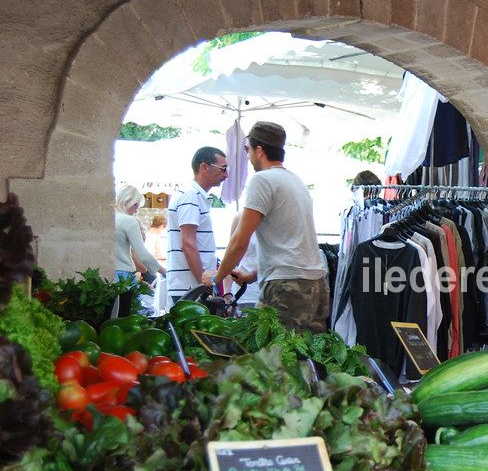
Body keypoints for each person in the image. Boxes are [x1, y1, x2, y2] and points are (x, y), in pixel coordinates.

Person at [205, 122, 329, 332]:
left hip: (287, 287)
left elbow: (239, 241)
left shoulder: (262, 180)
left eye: (247, 149)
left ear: (259, 150)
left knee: (270, 357)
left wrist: (215, 278)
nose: (248, 155)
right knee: (306, 358)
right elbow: (293, 246)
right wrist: (253, 274)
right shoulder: (295, 181)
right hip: (315, 283)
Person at [167, 146, 228, 302]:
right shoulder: (190, 196)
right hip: (190, 288)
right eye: (223, 169)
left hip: (189, 287)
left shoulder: (194, 196)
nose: (226, 174)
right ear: (204, 167)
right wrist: (204, 286)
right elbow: (188, 244)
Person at [113, 185, 164, 284]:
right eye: (136, 205)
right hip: (124, 275)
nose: (137, 210)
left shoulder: (109, 219)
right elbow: (143, 254)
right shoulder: (130, 221)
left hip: (108, 274)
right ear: (127, 201)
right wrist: (163, 271)